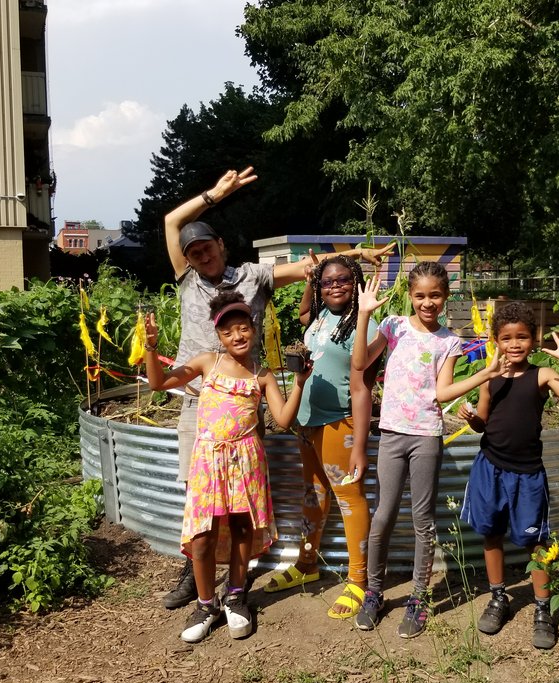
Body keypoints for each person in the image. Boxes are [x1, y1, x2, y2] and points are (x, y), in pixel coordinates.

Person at [160, 166, 394, 609]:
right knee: (200, 493)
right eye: (193, 252)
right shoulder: (187, 278)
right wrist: (215, 193)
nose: (201, 256)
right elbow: (172, 222)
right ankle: (194, 575)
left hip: (247, 402)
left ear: (221, 246)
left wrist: (359, 252)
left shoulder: (253, 276)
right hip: (199, 403)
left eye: (207, 247)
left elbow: (316, 269)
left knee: (239, 494)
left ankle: (237, 582)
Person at [144, 291, 311, 642]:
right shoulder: (207, 363)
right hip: (208, 461)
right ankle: (206, 604)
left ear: (253, 328)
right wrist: (150, 346)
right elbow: (159, 383)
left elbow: (281, 419)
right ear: (219, 336)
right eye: (228, 331)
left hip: (246, 460)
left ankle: (236, 596)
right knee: (201, 538)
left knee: (241, 532)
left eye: (243, 328)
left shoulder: (261, 375)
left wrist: (298, 383)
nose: (237, 336)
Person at [351, 261, 506, 638]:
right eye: (420, 295)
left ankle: (419, 599)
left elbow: (441, 392)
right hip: (391, 434)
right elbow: (359, 362)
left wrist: (482, 375)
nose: (427, 302)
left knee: (423, 521)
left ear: (446, 296)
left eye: (435, 295)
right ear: (410, 295)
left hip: (425, 436)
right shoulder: (394, 327)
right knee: (383, 514)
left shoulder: (449, 341)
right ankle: (374, 592)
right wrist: (364, 315)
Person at [457, 302, 559, 649]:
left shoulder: (542, 375)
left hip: (528, 474)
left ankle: (543, 609)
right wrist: (472, 420)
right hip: (490, 468)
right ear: (496, 341)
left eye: (522, 337)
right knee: (491, 534)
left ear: (533, 340)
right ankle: (498, 597)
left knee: (536, 543)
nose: (514, 344)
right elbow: (483, 422)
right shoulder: (490, 377)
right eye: (506, 338)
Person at [261, 256, 378, 620]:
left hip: (338, 424)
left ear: (355, 282)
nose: (335, 286)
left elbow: (363, 387)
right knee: (313, 494)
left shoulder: (366, 326)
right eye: (327, 282)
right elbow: (302, 317)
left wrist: (359, 444)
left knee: (348, 496)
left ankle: (360, 580)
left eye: (343, 279)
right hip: (308, 423)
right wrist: (309, 281)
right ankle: (307, 563)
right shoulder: (321, 317)